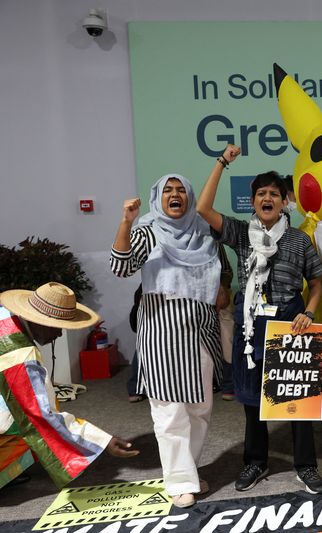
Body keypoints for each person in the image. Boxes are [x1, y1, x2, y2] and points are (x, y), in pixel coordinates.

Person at [197, 145, 322, 494]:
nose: (267, 198)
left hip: (290, 319)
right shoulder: (241, 235)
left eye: (274, 193)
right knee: (252, 399)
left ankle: (306, 466)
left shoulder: (299, 239)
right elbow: (203, 209)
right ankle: (256, 462)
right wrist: (222, 162)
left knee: (298, 399)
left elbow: (316, 284)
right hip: (250, 322)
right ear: (253, 201)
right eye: (260, 193)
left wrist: (308, 312)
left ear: (284, 201)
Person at [110, 174, 224, 508]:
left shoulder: (202, 232)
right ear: (157, 197)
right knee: (170, 411)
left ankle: (187, 469)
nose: (175, 195)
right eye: (168, 190)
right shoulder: (148, 231)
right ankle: (179, 481)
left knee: (200, 409)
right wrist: (125, 223)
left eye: (181, 191)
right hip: (162, 334)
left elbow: (222, 273)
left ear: (189, 197)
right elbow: (120, 266)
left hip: (201, 332)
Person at [0, 282, 138, 489]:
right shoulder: (20, 355)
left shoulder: (5, 316)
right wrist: (101, 440)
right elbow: (37, 413)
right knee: (27, 426)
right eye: (59, 328)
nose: (59, 335)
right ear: (40, 321)